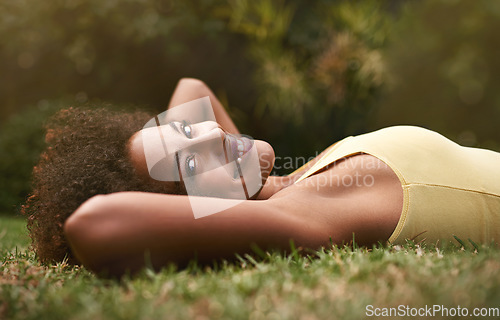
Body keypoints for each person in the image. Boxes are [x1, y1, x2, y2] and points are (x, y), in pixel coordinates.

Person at [23, 78, 500, 277]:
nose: (211, 135)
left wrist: (178, 151)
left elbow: (193, 88)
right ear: (197, 208)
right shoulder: (303, 212)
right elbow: (95, 224)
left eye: (186, 131)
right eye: (190, 165)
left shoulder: (290, 181)